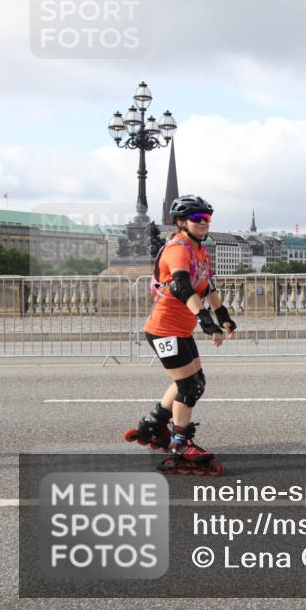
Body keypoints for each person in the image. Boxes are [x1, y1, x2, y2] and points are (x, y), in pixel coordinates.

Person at [124, 195, 236, 476]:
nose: (204, 223)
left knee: (193, 380)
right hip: (164, 329)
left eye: (207, 218)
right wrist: (205, 319)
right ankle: (181, 442)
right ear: (181, 222)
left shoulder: (201, 251)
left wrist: (223, 317)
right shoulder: (177, 248)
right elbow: (182, 286)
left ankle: (154, 424)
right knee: (190, 387)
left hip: (179, 329)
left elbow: (208, 286)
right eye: (198, 219)